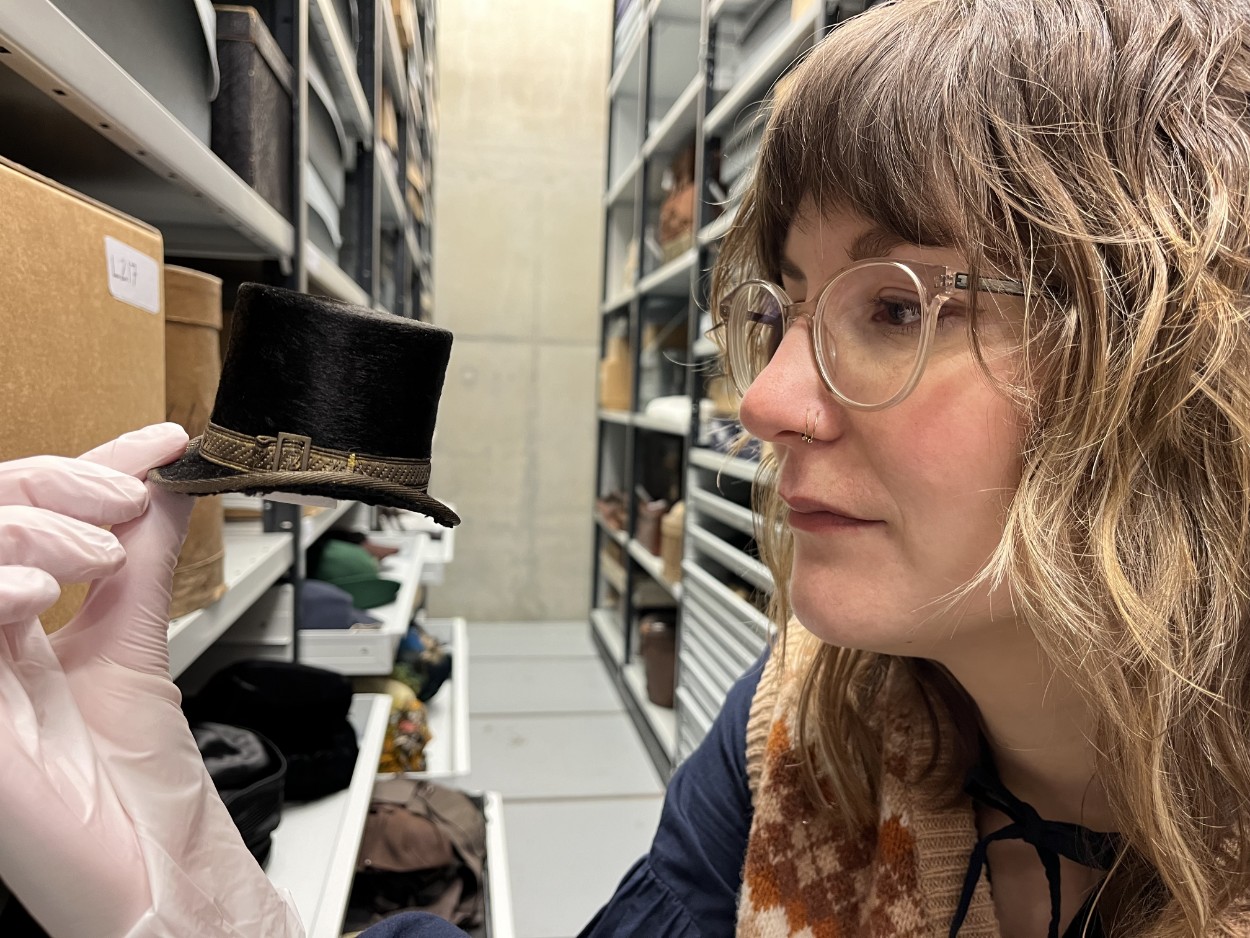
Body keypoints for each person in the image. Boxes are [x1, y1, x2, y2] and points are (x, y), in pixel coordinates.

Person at [2, 0, 1249, 935]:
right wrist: (199, 904)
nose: (762, 400)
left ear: (1189, 360)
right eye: (784, 309)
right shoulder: (809, 729)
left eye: (896, 306)